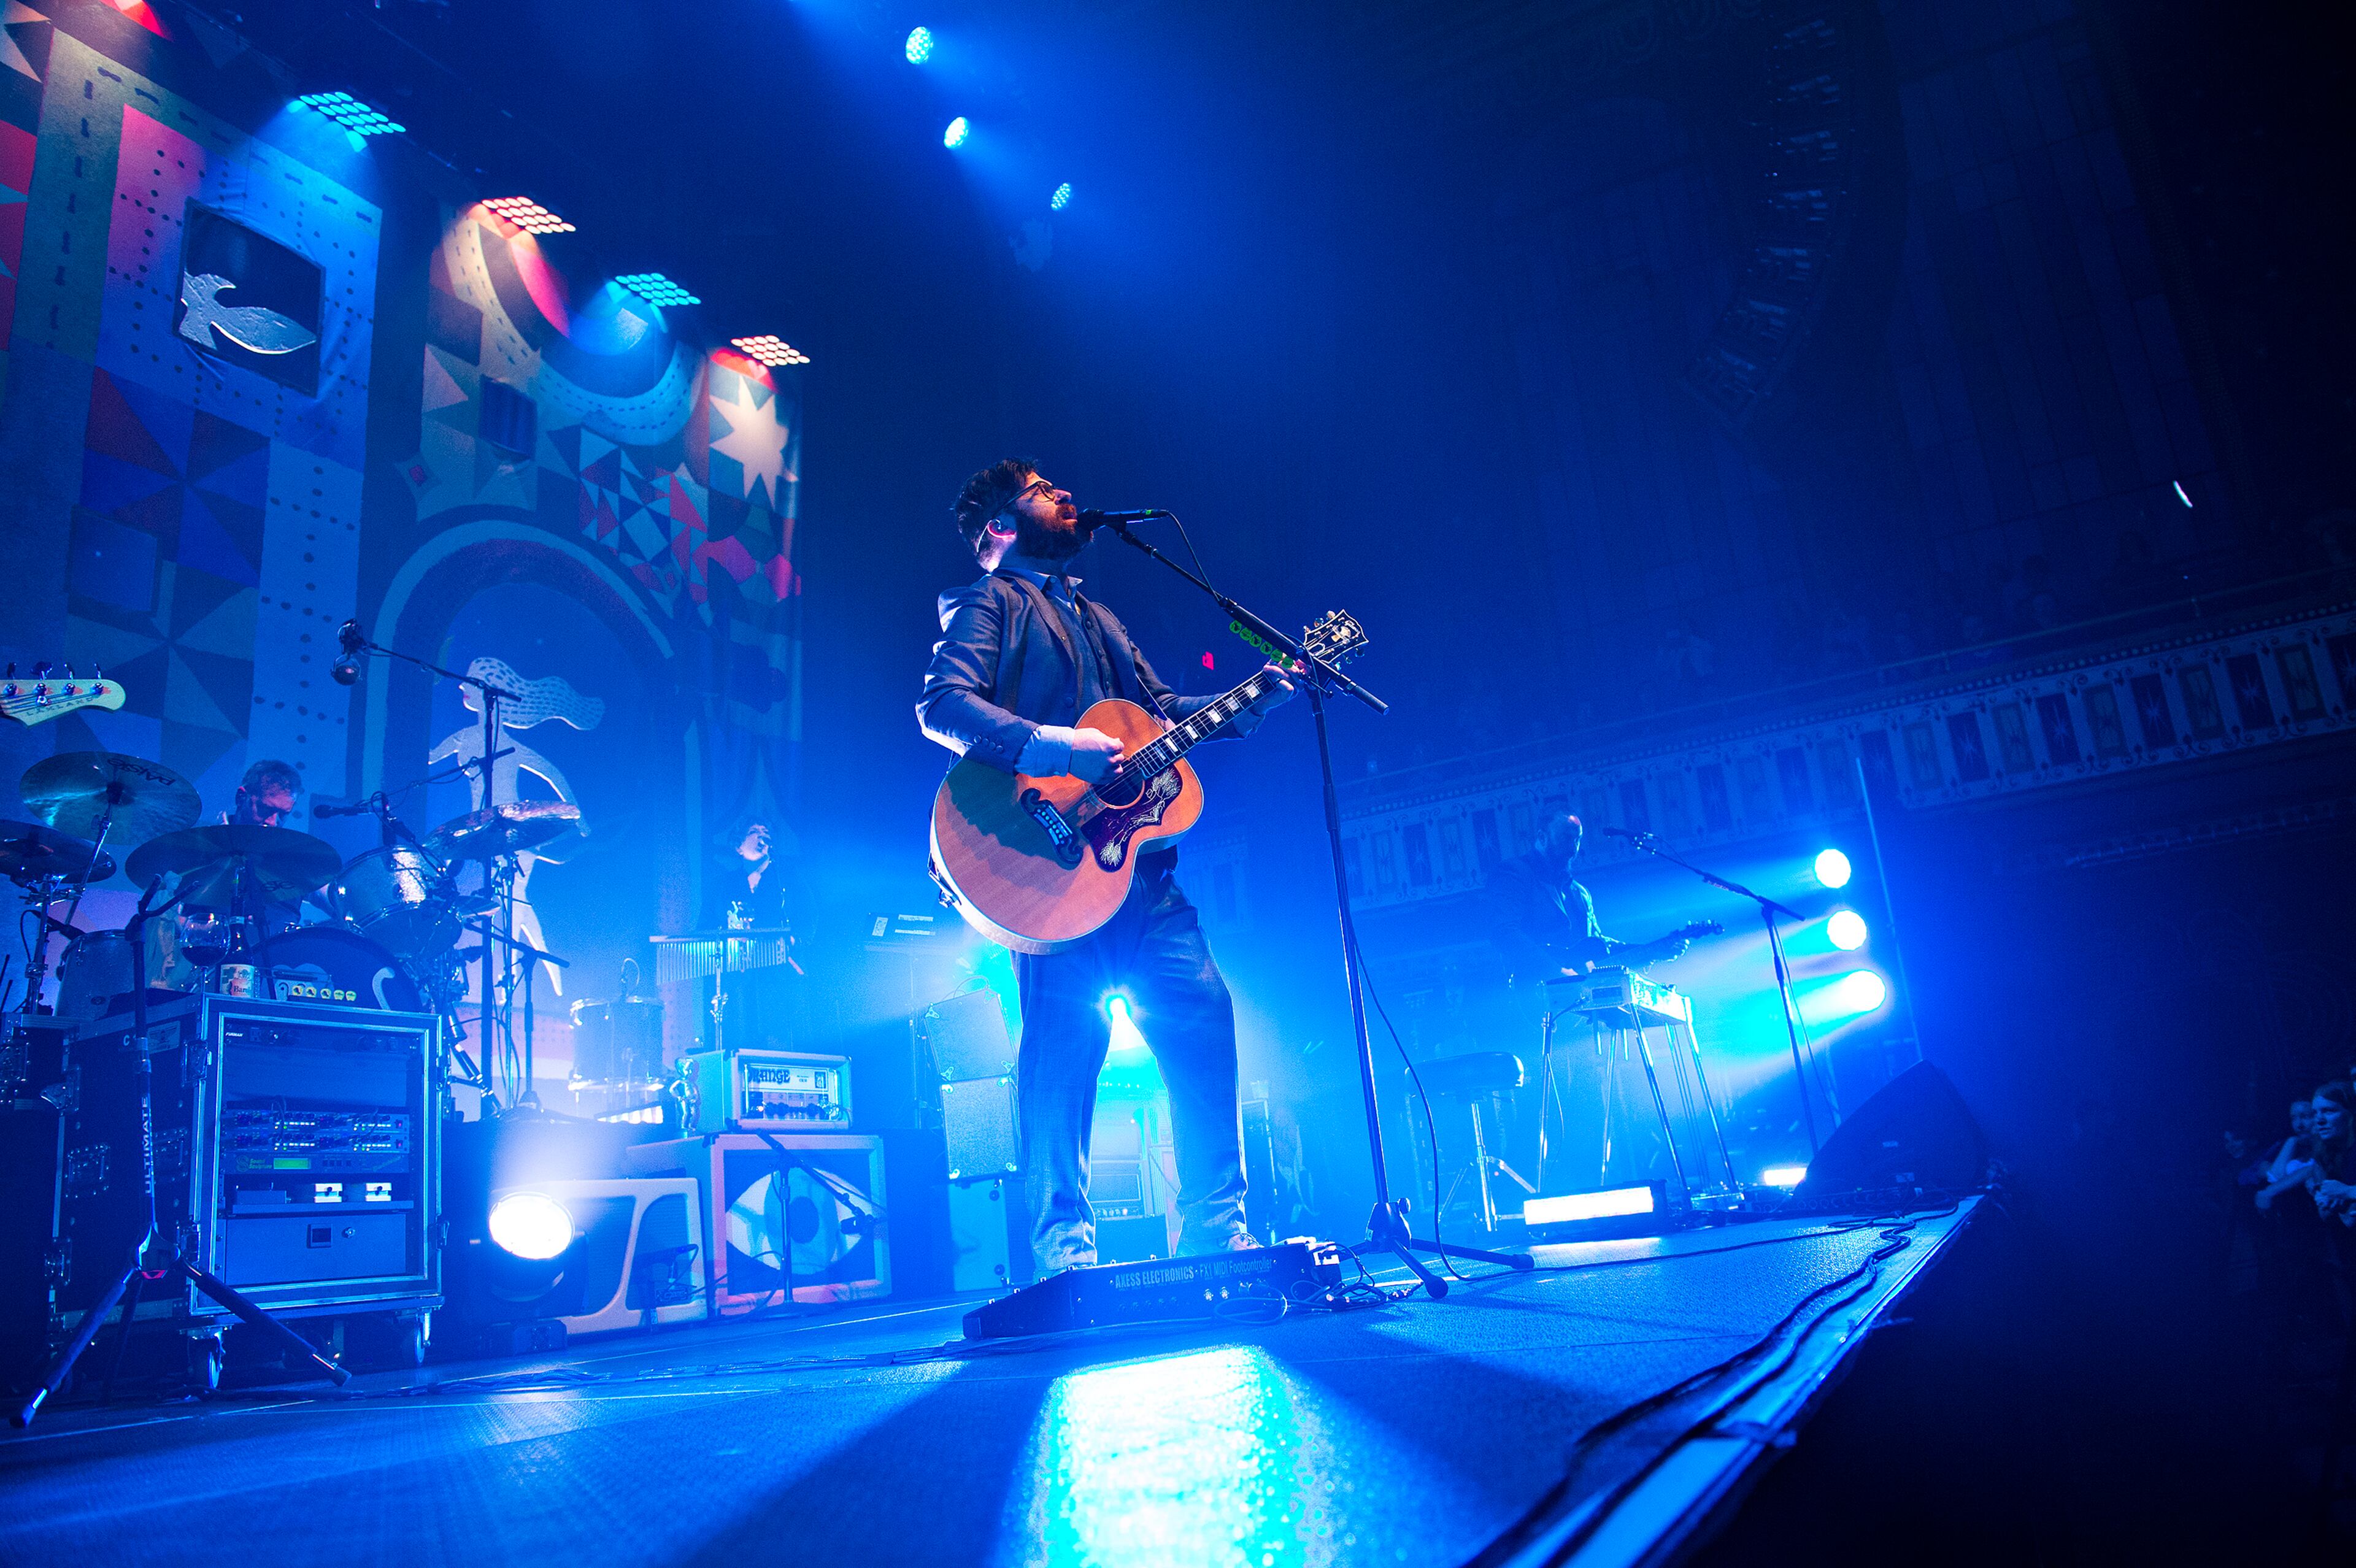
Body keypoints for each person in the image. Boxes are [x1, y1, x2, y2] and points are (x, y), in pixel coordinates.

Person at [916, 458, 1296, 1275]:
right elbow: (942, 706)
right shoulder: (991, 602)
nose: (1064, 494)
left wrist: (1248, 700)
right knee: (1060, 1055)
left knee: (1204, 1020)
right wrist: (1057, 748)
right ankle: (1066, 1254)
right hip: (1043, 866)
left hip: (1142, 877)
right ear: (1000, 530)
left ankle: (1215, 1229)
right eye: (1041, 490)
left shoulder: (1101, 615)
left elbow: (1159, 719)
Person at [1488, 812, 1693, 983]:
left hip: (1579, 995)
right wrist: (1556, 972)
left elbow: (1600, 945)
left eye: (1577, 840)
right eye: (1566, 839)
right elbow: (1503, 931)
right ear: (1542, 838)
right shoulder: (1514, 873)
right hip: (1533, 989)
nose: (1573, 848)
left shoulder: (1579, 893)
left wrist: (1652, 951)